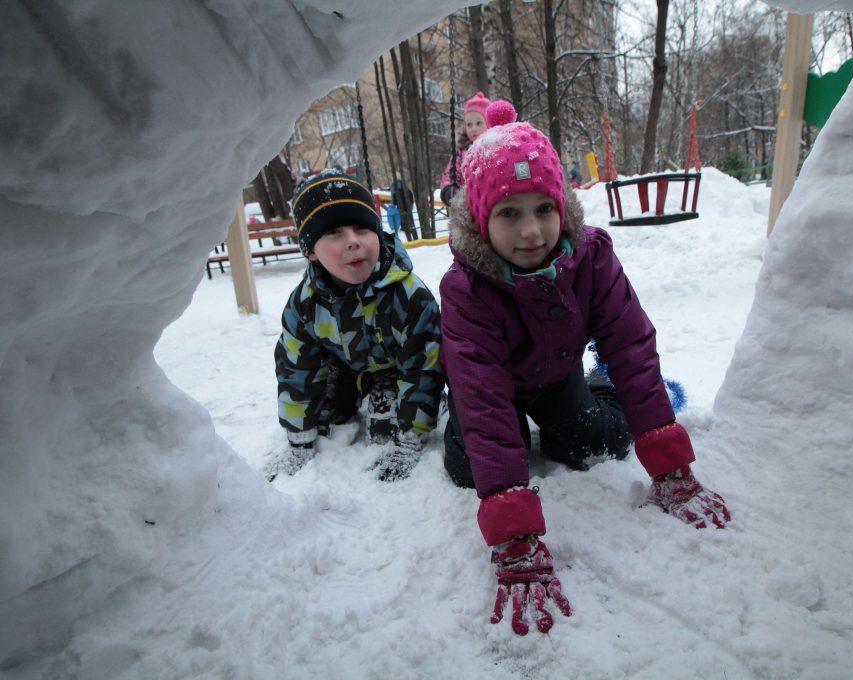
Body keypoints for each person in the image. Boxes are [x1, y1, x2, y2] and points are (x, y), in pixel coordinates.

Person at [439, 101, 731, 636]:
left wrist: (668, 463)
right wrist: (515, 532)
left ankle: (599, 396)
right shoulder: (466, 289)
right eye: (509, 214)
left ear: (562, 206)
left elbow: (631, 347)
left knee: (592, 443)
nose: (531, 231)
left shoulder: (591, 256)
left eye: (543, 209)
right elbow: (484, 401)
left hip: (555, 375)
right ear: (481, 219)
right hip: (488, 386)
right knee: (467, 467)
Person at [271, 170, 444, 482]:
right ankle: (354, 392)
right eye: (335, 233)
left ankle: (387, 393)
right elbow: (295, 369)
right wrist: (299, 439)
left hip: (393, 366)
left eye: (363, 228)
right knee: (328, 418)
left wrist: (409, 439)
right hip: (343, 366)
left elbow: (423, 368)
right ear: (311, 251)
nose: (353, 242)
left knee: (384, 428)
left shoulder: (408, 296)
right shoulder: (305, 305)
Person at [438, 91, 490, 207]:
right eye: (469, 124)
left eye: (478, 123)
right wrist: (448, 189)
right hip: (469, 203)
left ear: (489, 123)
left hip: (492, 198)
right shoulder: (461, 151)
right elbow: (450, 173)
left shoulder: (494, 147)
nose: (473, 129)